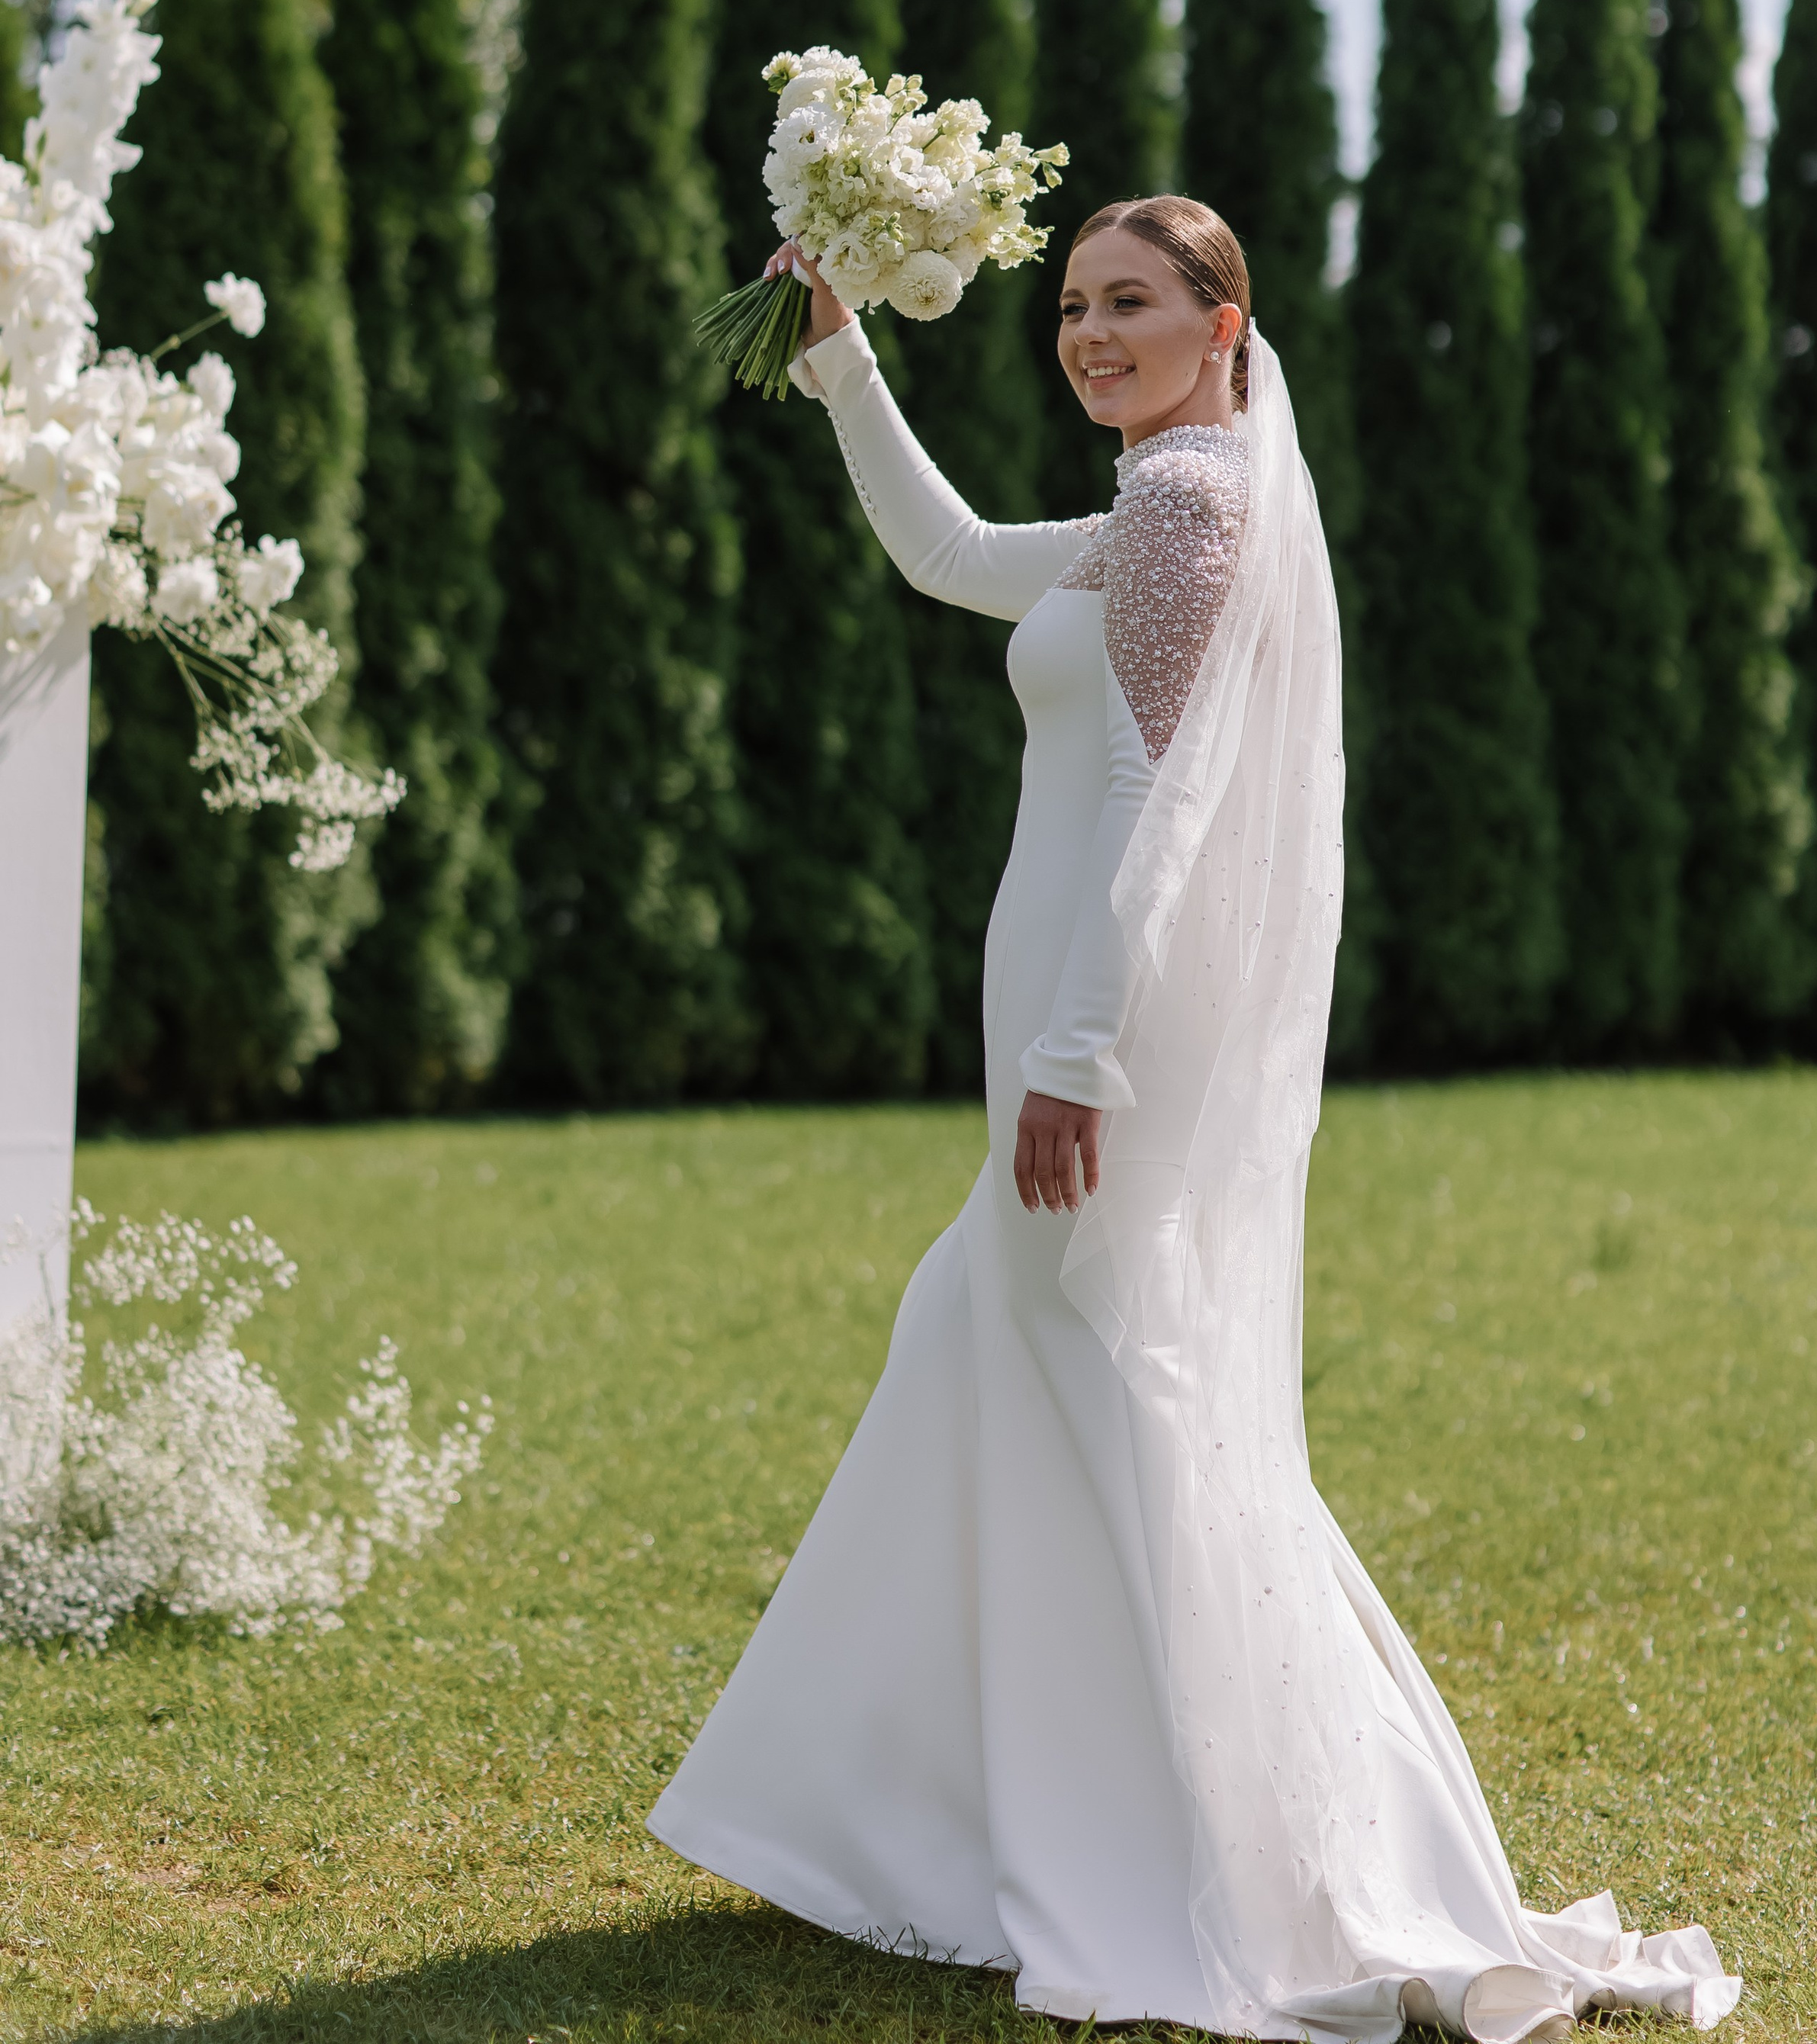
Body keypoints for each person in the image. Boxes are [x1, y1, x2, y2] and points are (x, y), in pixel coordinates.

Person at [651, 197, 1738, 2044]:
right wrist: (835, 349)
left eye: (1130, 301)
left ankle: (1164, 1847)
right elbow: (950, 554)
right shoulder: (1162, 496)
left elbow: (1165, 787)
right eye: (1071, 304)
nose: (1087, 331)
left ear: (1223, 322)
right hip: (1071, 1015)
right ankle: (1007, 1823)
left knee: (1122, 1409)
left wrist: (1080, 1049)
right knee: (1039, 1374)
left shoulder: (1183, 501)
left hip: (1099, 1035)